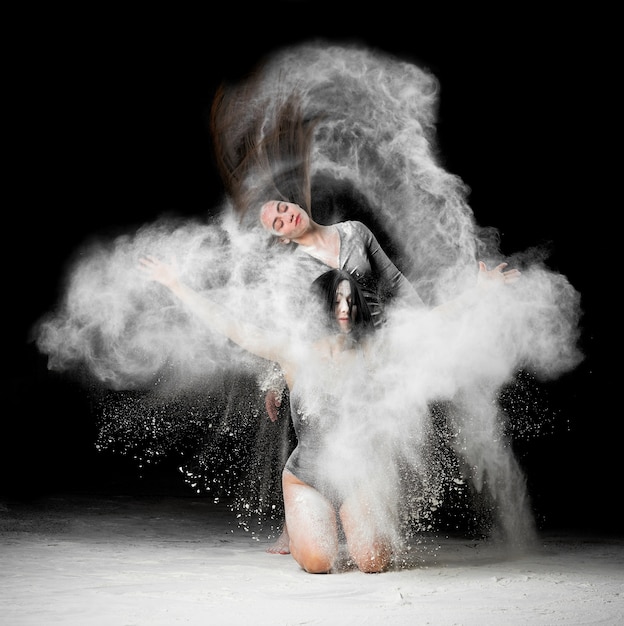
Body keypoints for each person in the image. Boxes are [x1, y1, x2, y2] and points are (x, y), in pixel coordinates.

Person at [138, 255, 517, 573]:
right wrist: (175, 284)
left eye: (351, 300)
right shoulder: (294, 352)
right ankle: (308, 522)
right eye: (336, 300)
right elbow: (234, 328)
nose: (345, 309)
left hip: (361, 475)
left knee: (371, 562)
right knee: (320, 562)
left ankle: (357, 524)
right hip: (308, 475)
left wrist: (479, 293)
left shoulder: (373, 351)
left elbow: (428, 325)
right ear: (321, 304)